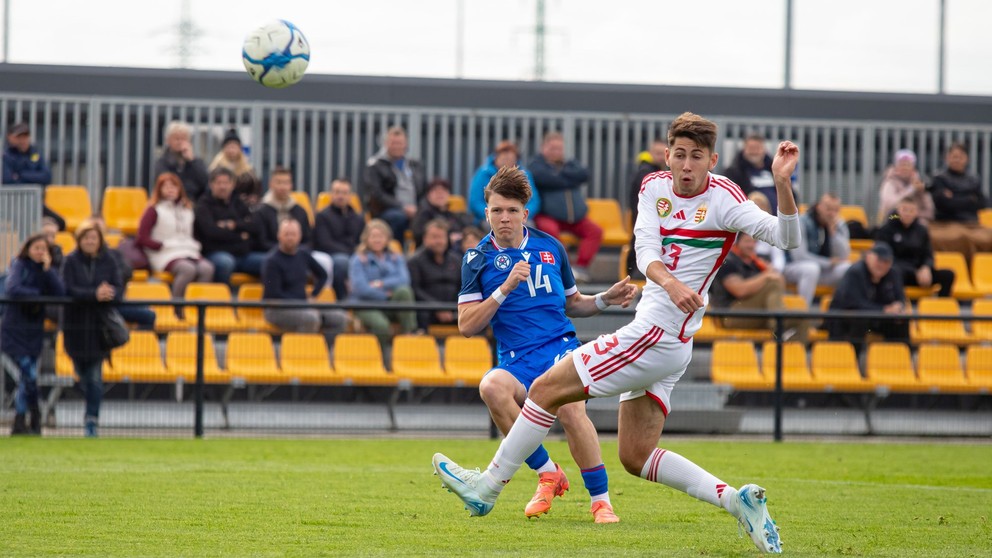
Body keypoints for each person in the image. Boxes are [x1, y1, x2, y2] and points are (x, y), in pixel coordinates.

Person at [433, 113, 797, 554]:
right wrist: (670, 283)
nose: (686, 165)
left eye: (696, 157)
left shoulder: (726, 200)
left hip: (658, 337)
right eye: (679, 154)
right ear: (667, 155)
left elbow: (787, 238)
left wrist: (781, 183)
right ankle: (739, 502)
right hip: (663, 337)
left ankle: (487, 487)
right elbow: (644, 251)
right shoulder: (653, 187)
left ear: (712, 160)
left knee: (545, 390)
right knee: (636, 455)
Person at [455, 166, 638, 523]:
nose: (503, 218)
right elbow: (466, 325)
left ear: (525, 212)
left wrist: (604, 298)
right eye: (496, 210)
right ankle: (548, 471)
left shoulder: (550, 246)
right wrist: (504, 288)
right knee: (491, 387)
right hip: (516, 358)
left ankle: (601, 501)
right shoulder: (476, 259)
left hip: (559, 347)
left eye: (511, 210)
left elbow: (573, 304)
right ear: (486, 213)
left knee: (571, 409)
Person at [61, 218, 124, 438]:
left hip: (99, 329)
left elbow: (119, 287)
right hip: (76, 327)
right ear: (79, 240)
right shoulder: (70, 261)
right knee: (82, 375)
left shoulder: (109, 260)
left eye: (94, 238)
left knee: (95, 378)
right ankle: (89, 411)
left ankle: (91, 420)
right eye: (86, 238)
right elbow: (67, 290)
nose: (90, 241)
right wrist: (93, 295)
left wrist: (109, 293)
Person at [1, 233, 65, 435]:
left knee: (26, 377)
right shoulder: (19, 266)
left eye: (43, 249)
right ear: (28, 249)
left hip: (34, 331)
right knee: (29, 374)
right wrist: (39, 296)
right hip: (15, 329)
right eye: (36, 248)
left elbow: (60, 293)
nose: (39, 252)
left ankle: (21, 421)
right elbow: (13, 289)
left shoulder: (46, 272)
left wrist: (48, 271)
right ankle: (35, 413)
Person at [529, 131, 602, 283]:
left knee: (595, 231)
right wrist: (569, 179)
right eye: (552, 148)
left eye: (559, 148)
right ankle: (565, 268)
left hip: (576, 218)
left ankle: (580, 268)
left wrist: (559, 176)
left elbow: (584, 174)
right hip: (548, 215)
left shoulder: (570, 163)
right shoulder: (535, 165)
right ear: (543, 148)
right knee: (550, 233)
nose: (556, 152)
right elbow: (543, 177)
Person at [262, 219, 346, 344]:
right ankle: (302, 355)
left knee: (340, 318)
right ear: (279, 235)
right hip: (276, 308)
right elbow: (273, 293)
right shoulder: (271, 261)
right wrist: (304, 304)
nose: (290, 238)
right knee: (310, 318)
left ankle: (326, 352)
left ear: (300, 236)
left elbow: (323, 275)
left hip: (303, 304)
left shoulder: (303, 254)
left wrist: (314, 295)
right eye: (286, 234)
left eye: (293, 234)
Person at [710, 233, 807, 341]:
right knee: (771, 284)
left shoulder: (757, 261)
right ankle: (777, 325)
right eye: (747, 241)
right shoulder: (727, 261)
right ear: (737, 242)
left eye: (754, 242)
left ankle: (786, 353)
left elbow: (780, 281)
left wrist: (770, 272)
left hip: (758, 313)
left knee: (802, 317)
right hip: (730, 315)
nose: (751, 245)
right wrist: (766, 276)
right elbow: (739, 290)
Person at [137, 172, 215, 301]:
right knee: (187, 269)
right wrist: (161, 245)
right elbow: (141, 238)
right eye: (166, 186)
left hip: (188, 251)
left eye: (174, 186)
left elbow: (194, 234)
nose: (170, 189)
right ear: (159, 190)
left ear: (180, 189)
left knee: (207, 269)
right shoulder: (153, 210)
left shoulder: (188, 210)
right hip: (164, 253)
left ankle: (197, 308)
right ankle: (177, 308)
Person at [826, 242, 910, 353]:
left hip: (874, 319)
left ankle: (898, 361)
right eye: (879, 260)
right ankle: (852, 362)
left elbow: (900, 297)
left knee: (901, 321)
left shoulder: (893, 273)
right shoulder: (855, 272)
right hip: (845, 320)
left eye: (886, 262)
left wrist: (899, 306)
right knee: (860, 319)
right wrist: (884, 310)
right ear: (869, 257)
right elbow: (854, 303)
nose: (882, 265)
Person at [348, 219, 417, 347]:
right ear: (366, 238)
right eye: (373, 236)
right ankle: (382, 357)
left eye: (381, 236)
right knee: (382, 326)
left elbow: (404, 280)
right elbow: (360, 288)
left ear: (387, 239)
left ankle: (409, 335)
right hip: (365, 304)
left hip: (389, 302)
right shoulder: (358, 259)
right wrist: (386, 295)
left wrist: (380, 284)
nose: (377, 240)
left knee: (404, 291)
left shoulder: (396, 257)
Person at [194, 167, 266, 285]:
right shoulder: (203, 205)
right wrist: (240, 236)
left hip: (243, 254)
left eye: (226, 183)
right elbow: (211, 232)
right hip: (216, 253)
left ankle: (265, 301)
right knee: (226, 263)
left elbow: (254, 226)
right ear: (211, 184)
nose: (223, 187)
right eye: (219, 183)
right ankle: (223, 302)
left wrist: (233, 225)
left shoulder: (238, 202)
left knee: (268, 261)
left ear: (232, 185)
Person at [874, 198, 954, 298]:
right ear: (898, 210)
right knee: (895, 272)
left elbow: (928, 254)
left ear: (916, 212)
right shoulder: (887, 229)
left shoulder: (921, 230)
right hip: (900, 272)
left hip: (920, 273)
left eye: (911, 210)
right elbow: (887, 258)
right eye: (904, 210)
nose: (907, 213)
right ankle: (899, 305)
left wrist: (926, 267)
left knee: (948, 275)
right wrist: (913, 271)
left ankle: (941, 307)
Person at [927, 142, 992, 262]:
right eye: (954, 156)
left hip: (972, 224)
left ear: (966, 159)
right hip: (945, 223)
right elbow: (943, 203)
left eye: (960, 157)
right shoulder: (939, 178)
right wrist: (968, 199)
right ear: (947, 158)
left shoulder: (974, 179)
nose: (957, 160)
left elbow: (982, 203)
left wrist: (954, 197)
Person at [783, 193, 851, 305]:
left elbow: (844, 255)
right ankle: (802, 313)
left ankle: (837, 312)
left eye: (836, 210)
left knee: (848, 268)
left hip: (822, 270)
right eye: (828, 209)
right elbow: (799, 256)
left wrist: (833, 234)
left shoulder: (839, 224)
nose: (832, 213)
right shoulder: (802, 221)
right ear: (819, 207)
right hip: (793, 268)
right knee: (811, 269)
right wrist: (828, 262)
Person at [361, 126, 427, 242]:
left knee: (431, 217)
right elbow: (377, 193)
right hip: (387, 210)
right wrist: (403, 207)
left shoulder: (415, 165)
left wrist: (418, 208)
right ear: (386, 144)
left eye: (400, 143)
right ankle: (396, 252)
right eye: (393, 143)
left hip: (415, 209)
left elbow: (424, 190)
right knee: (397, 217)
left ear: (406, 144)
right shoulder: (375, 165)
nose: (397, 146)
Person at [2, 121, 65, 228]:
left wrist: (20, 175)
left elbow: (46, 177)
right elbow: (8, 181)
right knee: (23, 224)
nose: (23, 140)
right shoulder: (5, 156)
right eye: (19, 137)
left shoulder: (35, 153)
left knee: (60, 222)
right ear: (10, 137)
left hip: (35, 203)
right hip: (13, 204)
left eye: (25, 136)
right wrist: (34, 178)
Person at [312, 178, 365, 300]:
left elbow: (363, 240)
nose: (340, 196)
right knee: (342, 262)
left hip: (354, 255)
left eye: (344, 192)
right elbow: (324, 243)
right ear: (331, 194)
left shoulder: (358, 218)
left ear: (350, 195)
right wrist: (353, 254)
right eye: (337, 192)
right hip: (331, 255)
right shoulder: (322, 216)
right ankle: (343, 301)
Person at [468, 140, 541, 227]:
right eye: (504, 158)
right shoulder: (483, 173)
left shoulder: (525, 175)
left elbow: (534, 201)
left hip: (518, 218)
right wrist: (493, 215)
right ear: (496, 157)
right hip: (488, 219)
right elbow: (475, 201)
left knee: (529, 226)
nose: (507, 162)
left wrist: (520, 215)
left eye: (511, 159)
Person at [722, 134, 797, 216]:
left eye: (757, 148)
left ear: (764, 150)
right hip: (751, 220)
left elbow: (789, 191)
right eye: (751, 148)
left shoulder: (774, 169)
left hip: (781, 218)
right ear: (744, 149)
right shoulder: (734, 172)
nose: (754, 152)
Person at [407, 219, 461, 331]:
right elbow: (415, 290)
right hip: (427, 309)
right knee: (421, 313)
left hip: (454, 309)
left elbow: (463, 287)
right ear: (425, 239)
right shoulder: (414, 261)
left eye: (442, 237)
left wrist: (453, 308)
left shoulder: (457, 260)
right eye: (434, 237)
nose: (439, 241)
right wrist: (437, 308)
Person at [626, 139, 668, 276]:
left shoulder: (658, 173)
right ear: (650, 153)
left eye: (663, 153)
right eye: (657, 153)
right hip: (645, 225)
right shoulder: (647, 174)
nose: (660, 157)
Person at [256, 166, 312, 252]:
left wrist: (295, 251)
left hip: (298, 253)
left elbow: (308, 240)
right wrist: (285, 250)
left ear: (291, 185)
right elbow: (261, 242)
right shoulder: (261, 211)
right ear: (270, 184)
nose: (282, 187)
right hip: (270, 253)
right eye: (278, 182)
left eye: (286, 183)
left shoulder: (300, 211)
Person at [153, 121, 209, 203]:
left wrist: (192, 161)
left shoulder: (196, 162)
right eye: (176, 139)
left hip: (195, 204)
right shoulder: (162, 162)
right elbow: (164, 183)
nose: (180, 142)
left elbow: (205, 182)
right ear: (168, 141)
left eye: (183, 139)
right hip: (169, 203)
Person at [876, 149, 934, 226]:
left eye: (908, 165)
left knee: (922, 224)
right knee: (893, 220)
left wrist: (922, 192)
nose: (905, 168)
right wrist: (911, 189)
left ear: (913, 168)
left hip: (916, 218)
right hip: (893, 216)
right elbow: (888, 206)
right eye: (902, 165)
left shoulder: (918, 182)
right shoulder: (889, 182)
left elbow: (930, 211)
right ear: (896, 167)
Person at [410, 177, 473, 247]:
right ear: (428, 195)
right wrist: (448, 239)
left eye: (444, 190)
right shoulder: (423, 215)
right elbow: (418, 236)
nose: (440, 193)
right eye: (435, 191)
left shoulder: (454, 216)